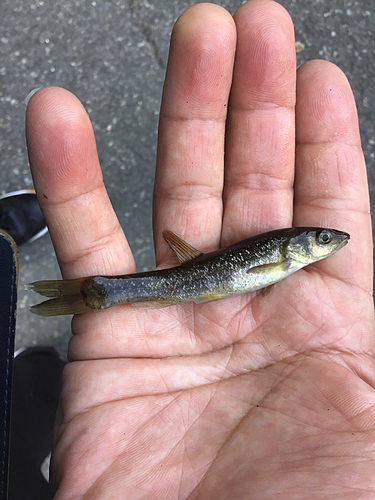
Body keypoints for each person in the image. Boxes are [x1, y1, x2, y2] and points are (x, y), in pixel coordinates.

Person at [24, 1, 375, 498]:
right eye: (319, 238)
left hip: (195, 280)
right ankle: (94, 298)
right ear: (295, 245)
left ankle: (81, 312)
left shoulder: (285, 257)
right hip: (195, 279)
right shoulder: (283, 256)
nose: (330, 242)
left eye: (322, 239)